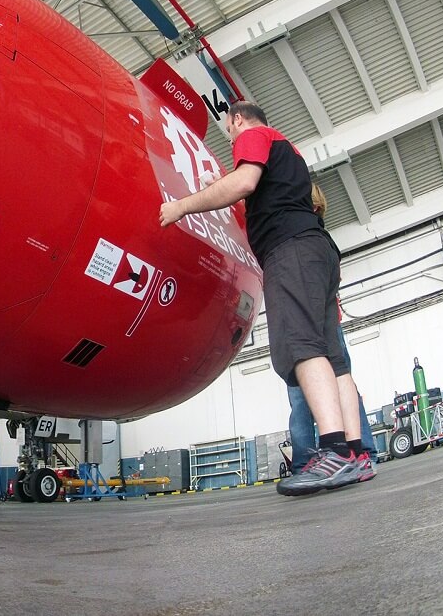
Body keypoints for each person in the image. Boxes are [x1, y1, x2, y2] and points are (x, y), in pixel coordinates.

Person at [160, 101, 366, 496]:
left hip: (290, 250)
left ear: (237, 119)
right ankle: (356, 455)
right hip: (318, 249)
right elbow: (264, 193)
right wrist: (223, 183)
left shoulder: (254, 135)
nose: (232, 140)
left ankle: (334, 452)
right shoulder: (289, 151)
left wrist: (181, 206)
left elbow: (244, 183)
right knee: (334, 359)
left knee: (301, 347)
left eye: (229, 132)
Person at [288, 185, 376, 481]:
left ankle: (318, 459)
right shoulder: (321, 239)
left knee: (312, 389)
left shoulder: (306, 236)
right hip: (320, 321)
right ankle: (357, 453)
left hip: (315, 323)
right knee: (334, 382)